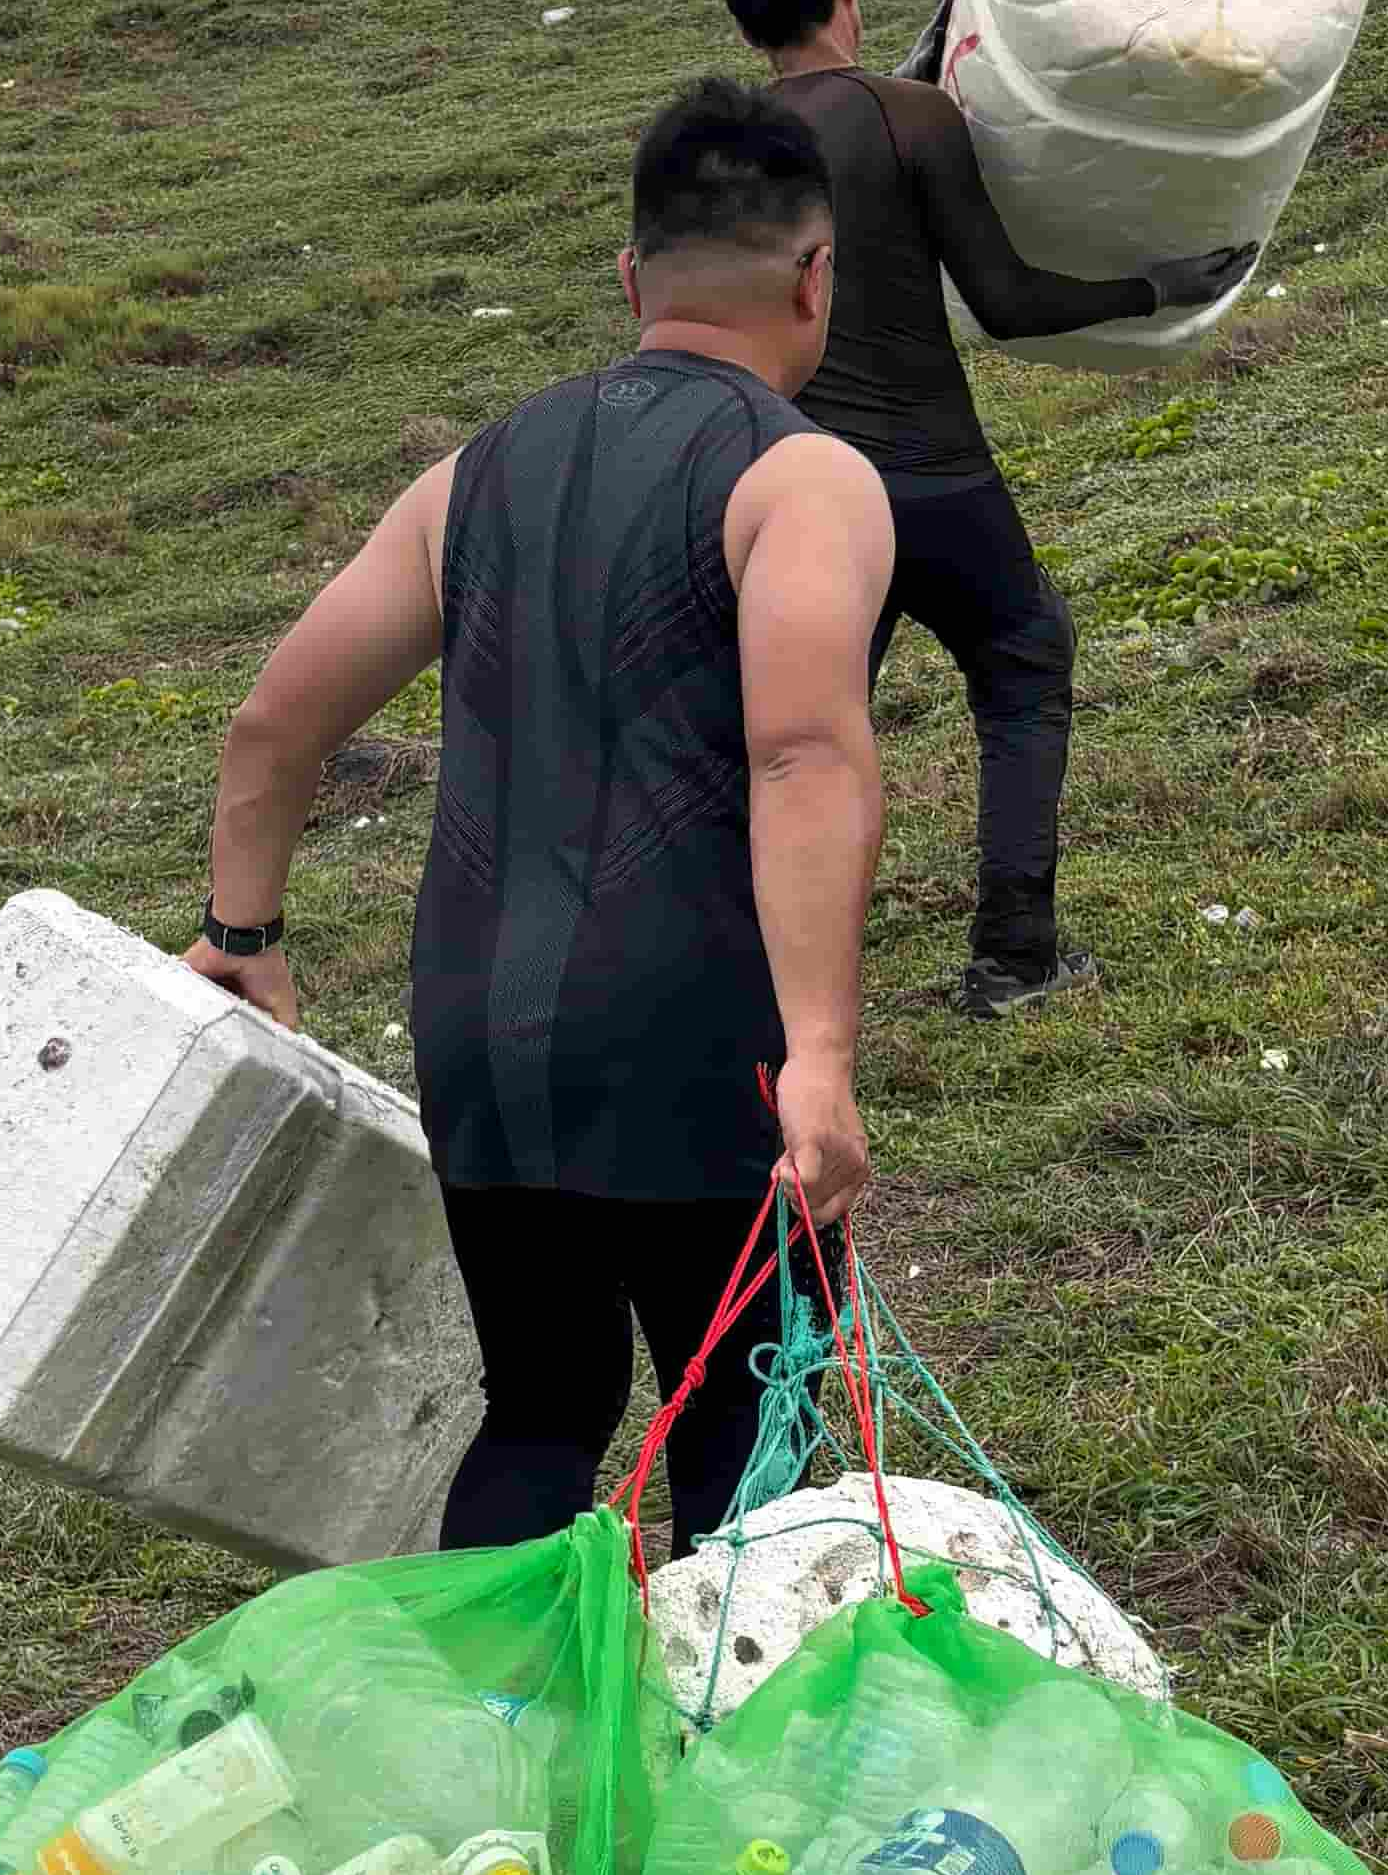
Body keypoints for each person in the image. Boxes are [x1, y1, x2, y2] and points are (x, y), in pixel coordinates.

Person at [184, 75, 893, 1554]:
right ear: (817, 277)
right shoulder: (801, 476)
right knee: (744, 1416)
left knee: (537, 1408)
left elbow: (274, 724)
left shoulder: (465, 482)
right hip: (703, 1037)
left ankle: (497, 1756)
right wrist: (819, 1057)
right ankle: (727, 1763)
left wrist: (239, 930)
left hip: (486, 1035)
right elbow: (803, 757)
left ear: (634, 278)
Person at [708, 0, 1253, 1017]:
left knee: (800, 733)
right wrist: (1160, 287)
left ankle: (744, 987)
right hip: (932, 477)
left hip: (794, 489)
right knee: (1022, 661)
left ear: (745, 22)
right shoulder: (911, 117)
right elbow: (1005, 302)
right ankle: (1014, 958)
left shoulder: (723, 151)